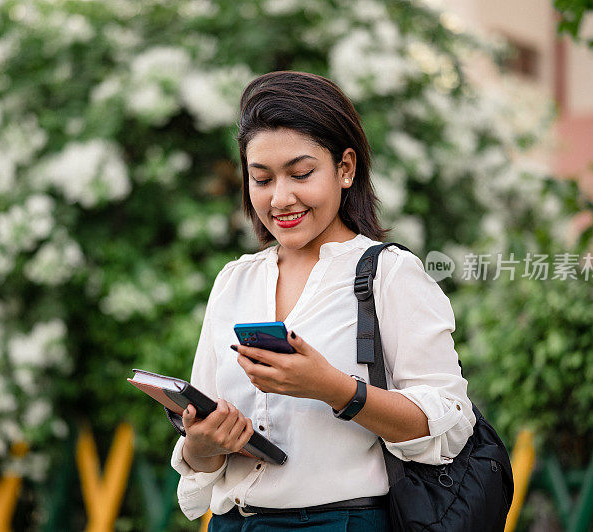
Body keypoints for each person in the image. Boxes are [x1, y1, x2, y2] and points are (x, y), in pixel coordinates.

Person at [170, 71, 475, 531]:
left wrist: (333, 388)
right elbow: (204, 442)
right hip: (234, 522)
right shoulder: (234, 281)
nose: (280, 198)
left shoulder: (389, 275)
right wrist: (203, 444)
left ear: (345, 168)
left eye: (301, 173)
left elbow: (448, 424)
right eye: (262, 179)